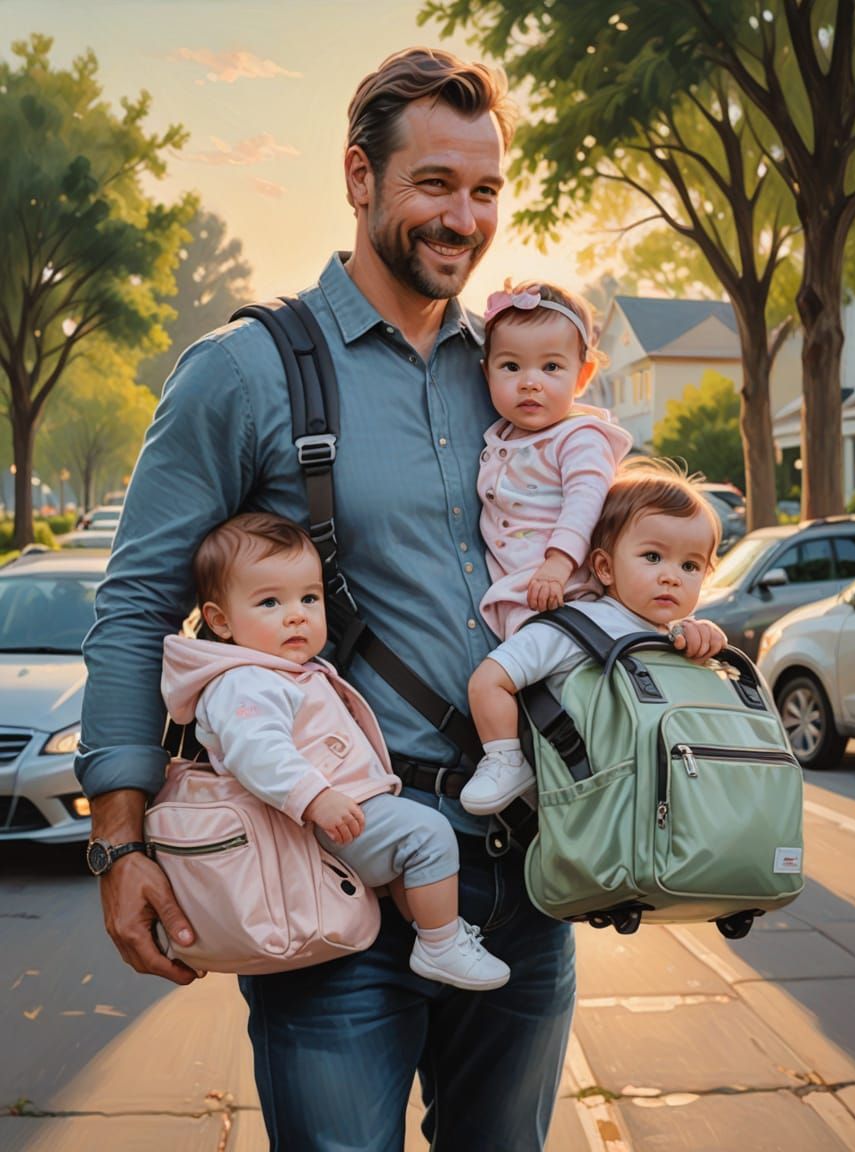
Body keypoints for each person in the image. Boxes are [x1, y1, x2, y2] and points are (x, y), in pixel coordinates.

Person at [76, 46, 723, 1151]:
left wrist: (678, 616)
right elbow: (135, 607)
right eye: (433, 184)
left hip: (526, 865)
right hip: (332, 865)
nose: (460, 219)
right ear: (357, 177)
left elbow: (605, 566)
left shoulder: (519, 378)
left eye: (482, 191)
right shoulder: (245, 371)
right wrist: (118, 842)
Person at [162, 512, 509, 990]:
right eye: (269, 602)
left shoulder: (284, 671)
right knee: (428, 836)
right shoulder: (245, 681)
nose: (296, 614)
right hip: (315, 817)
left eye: (309, 597)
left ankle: (434, 934)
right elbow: (255, 749)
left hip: (335, 811)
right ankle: (441, 942)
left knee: (408, 860)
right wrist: (315, 796)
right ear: (221, 621)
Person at [459, 279, 632, 814]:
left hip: (565, 604)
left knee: (489, 683)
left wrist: (558, 564)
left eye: (551, 369)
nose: (530, 383)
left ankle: (504, 759)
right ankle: (563, 792)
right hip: (529, 606)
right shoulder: (501, 438)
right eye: (511, 367)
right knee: (562, 721)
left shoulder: (578, 437)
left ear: (583, 376)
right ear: (487, 372)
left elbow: (586, 498)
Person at [466, 459, 722, 800]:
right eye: (652, 557)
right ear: (604, 567)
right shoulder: (574, 628)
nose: (671, 576)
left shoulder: (680, 636)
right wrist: (505, 755)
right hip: (597, 813)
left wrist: (706, 642)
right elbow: (488, 680)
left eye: (690, 565)